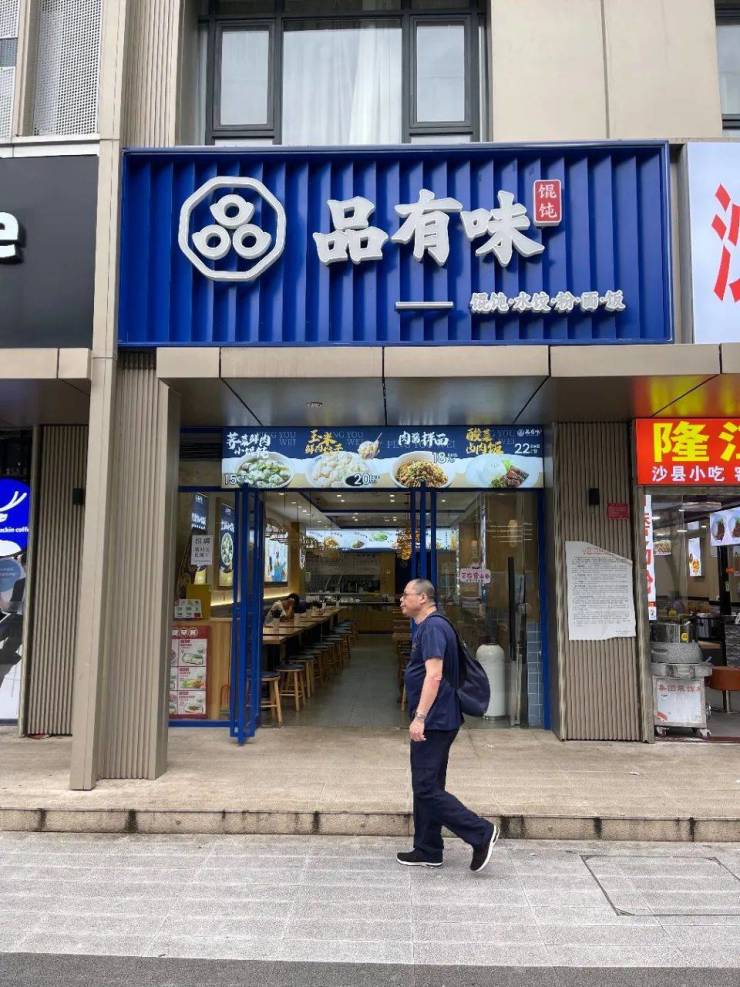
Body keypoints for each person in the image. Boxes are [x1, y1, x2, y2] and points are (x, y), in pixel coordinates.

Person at [397, 578, 499, 873]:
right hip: (440, 717)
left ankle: (480, 832)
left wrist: (420, 717)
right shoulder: (432, 626)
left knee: (425, 787)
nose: (401, 599)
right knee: (429, 784)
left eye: (406, 594)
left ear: (423, 598)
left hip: (435, 720)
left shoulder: (432, 628)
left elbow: (434, 675)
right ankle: (428, 849)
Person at [0, 557, 26, 691]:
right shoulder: (20, 581)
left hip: (20, 623)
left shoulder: (21, 581)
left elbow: (13, 607)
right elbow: (12, 607)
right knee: (7, 651)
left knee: (8, 651)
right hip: (16, 621)